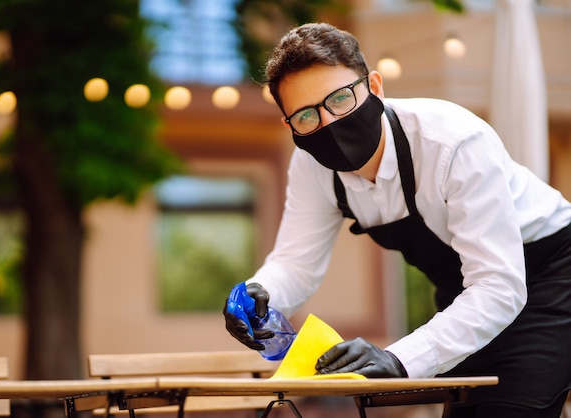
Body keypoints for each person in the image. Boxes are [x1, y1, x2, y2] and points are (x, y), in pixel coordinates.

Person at [223, 22, 571, 417]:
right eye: (306, 116)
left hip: (551, 277)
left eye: (339, 99)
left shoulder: (452, 142)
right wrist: (259, 292)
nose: (327, 122)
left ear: (374, 86)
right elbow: (296, 263)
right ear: (289, 124)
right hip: (463, 296)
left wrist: (399, 357)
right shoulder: (311, 166)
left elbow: (498, 283)